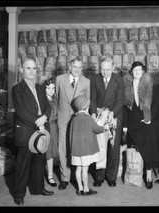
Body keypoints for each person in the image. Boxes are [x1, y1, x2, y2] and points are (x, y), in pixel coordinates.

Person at [11, 58, 53, 205]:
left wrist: (45, 117)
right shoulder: (17, 89)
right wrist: (38, 122)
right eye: (28, 68)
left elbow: (48, 106)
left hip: (42, 130)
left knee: (39, 162)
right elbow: (21, 112)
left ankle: (38, 188)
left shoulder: (40, 87)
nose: (31, 71)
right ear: (22, 70)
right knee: (23, 164)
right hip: (27, 131)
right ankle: (19, 193)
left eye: (34, 68)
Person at [123, 61, 159, 189]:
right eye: (135, 70)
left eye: (139, 70)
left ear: (143, 72)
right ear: (131, 72)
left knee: (147, 150)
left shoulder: (150, 84)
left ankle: (149, 177)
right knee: (134, 150)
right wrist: (125, 125)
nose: (137, 72)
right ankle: (134, 175)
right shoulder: (127, 84)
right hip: (132, 122)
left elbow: (155, 104)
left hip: (145, 122)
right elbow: (126, 108)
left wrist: (148, 118)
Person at [55, 58, 90, 190]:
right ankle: (65, 178)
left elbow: (87, 102)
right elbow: (56, 98)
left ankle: (77, 177)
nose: (77, 69)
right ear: (69, 67)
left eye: (80, 67)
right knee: (63, 148)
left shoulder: (86, 82)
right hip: (63, 118)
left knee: (77, 149)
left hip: (79, 120)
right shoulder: (59, 79)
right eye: (74, 66)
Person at [90, 57, 124, 187]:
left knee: (113, 147)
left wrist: (111, 113)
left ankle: (111, 177)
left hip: (114, 116)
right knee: (100, 146)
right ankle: (99, 177)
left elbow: (120, 100)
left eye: (108, 70)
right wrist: (93, 113)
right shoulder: (95, 79)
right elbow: (92, 98)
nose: (105, 72)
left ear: (113, 67)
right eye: (102, 69)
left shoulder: (118, 79)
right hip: (99, 115)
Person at [70, 95, 106, 196]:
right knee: (85, 169)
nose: (89, 108)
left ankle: (80, 189)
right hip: (86, 149)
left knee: (78, 169)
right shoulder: (88, 118)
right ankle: (86, 189)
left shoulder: (74, 119)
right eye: (88, 106)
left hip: (76, 150)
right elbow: (97, 129)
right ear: (86, 108)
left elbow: (71, 135)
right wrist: (104, 127)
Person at [43, 78, 59, 187]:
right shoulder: (42, 100)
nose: (51, 90)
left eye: (53, 88)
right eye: (48, 88)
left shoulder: (55, 99)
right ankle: (46, 175)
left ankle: (50, 175)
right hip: (45, 127)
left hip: (55, 126)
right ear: (44, 89)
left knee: (51, 152)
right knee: (45, 151)